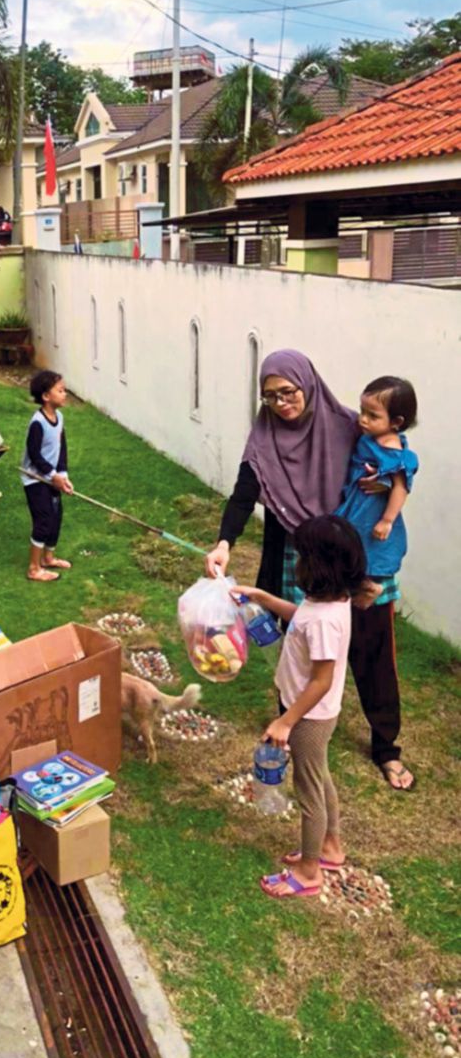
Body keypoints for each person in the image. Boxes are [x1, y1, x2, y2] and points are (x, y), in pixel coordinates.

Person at [205, 349, 415, 791]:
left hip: (354, 554)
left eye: (288, 392)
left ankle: (386, 748)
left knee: (371, 652)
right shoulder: (264, 440)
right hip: (297, 556)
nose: (281, 404)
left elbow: (398, 462)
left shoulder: (347, 427)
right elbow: (244, 494)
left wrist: (384, 486)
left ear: (308, 384)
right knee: (299, 649)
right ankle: (292, 725)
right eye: (270, 397)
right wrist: (224, 542)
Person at [232, 514, 366, 899]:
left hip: (309, 716)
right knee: (319, 775)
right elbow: (300, 619)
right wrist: (263, 598)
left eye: (301, 554)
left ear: (318, 565)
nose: (295, 560)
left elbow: (321, 680)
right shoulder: (327, 602)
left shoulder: (326, 620)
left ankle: (309, 872)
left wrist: (286, 722)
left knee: (309, 791)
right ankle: (330, 848)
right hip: (309, 713)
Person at [336, 375, 419, 594]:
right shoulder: (372, 437)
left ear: (396, 422)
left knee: (365, 546)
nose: (363, 419)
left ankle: (371, 587)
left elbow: (401, 487)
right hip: (356, 500)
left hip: (370, 509)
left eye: (372, 416)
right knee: (347, 542)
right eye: (362, 411)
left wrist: (386, 520)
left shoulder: (393, 450)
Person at [21, 371, 74, 582]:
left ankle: (48, 558)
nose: (65, 394)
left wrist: (62, 474)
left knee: (56, 516)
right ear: (46, 396)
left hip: (51, 477)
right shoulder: (38, 423)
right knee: (43, 519)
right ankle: (33, 568)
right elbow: (34, 455)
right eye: (60, 391)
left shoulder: (59, 418)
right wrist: (53, 476)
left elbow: (61, 449)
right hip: (35, 479)